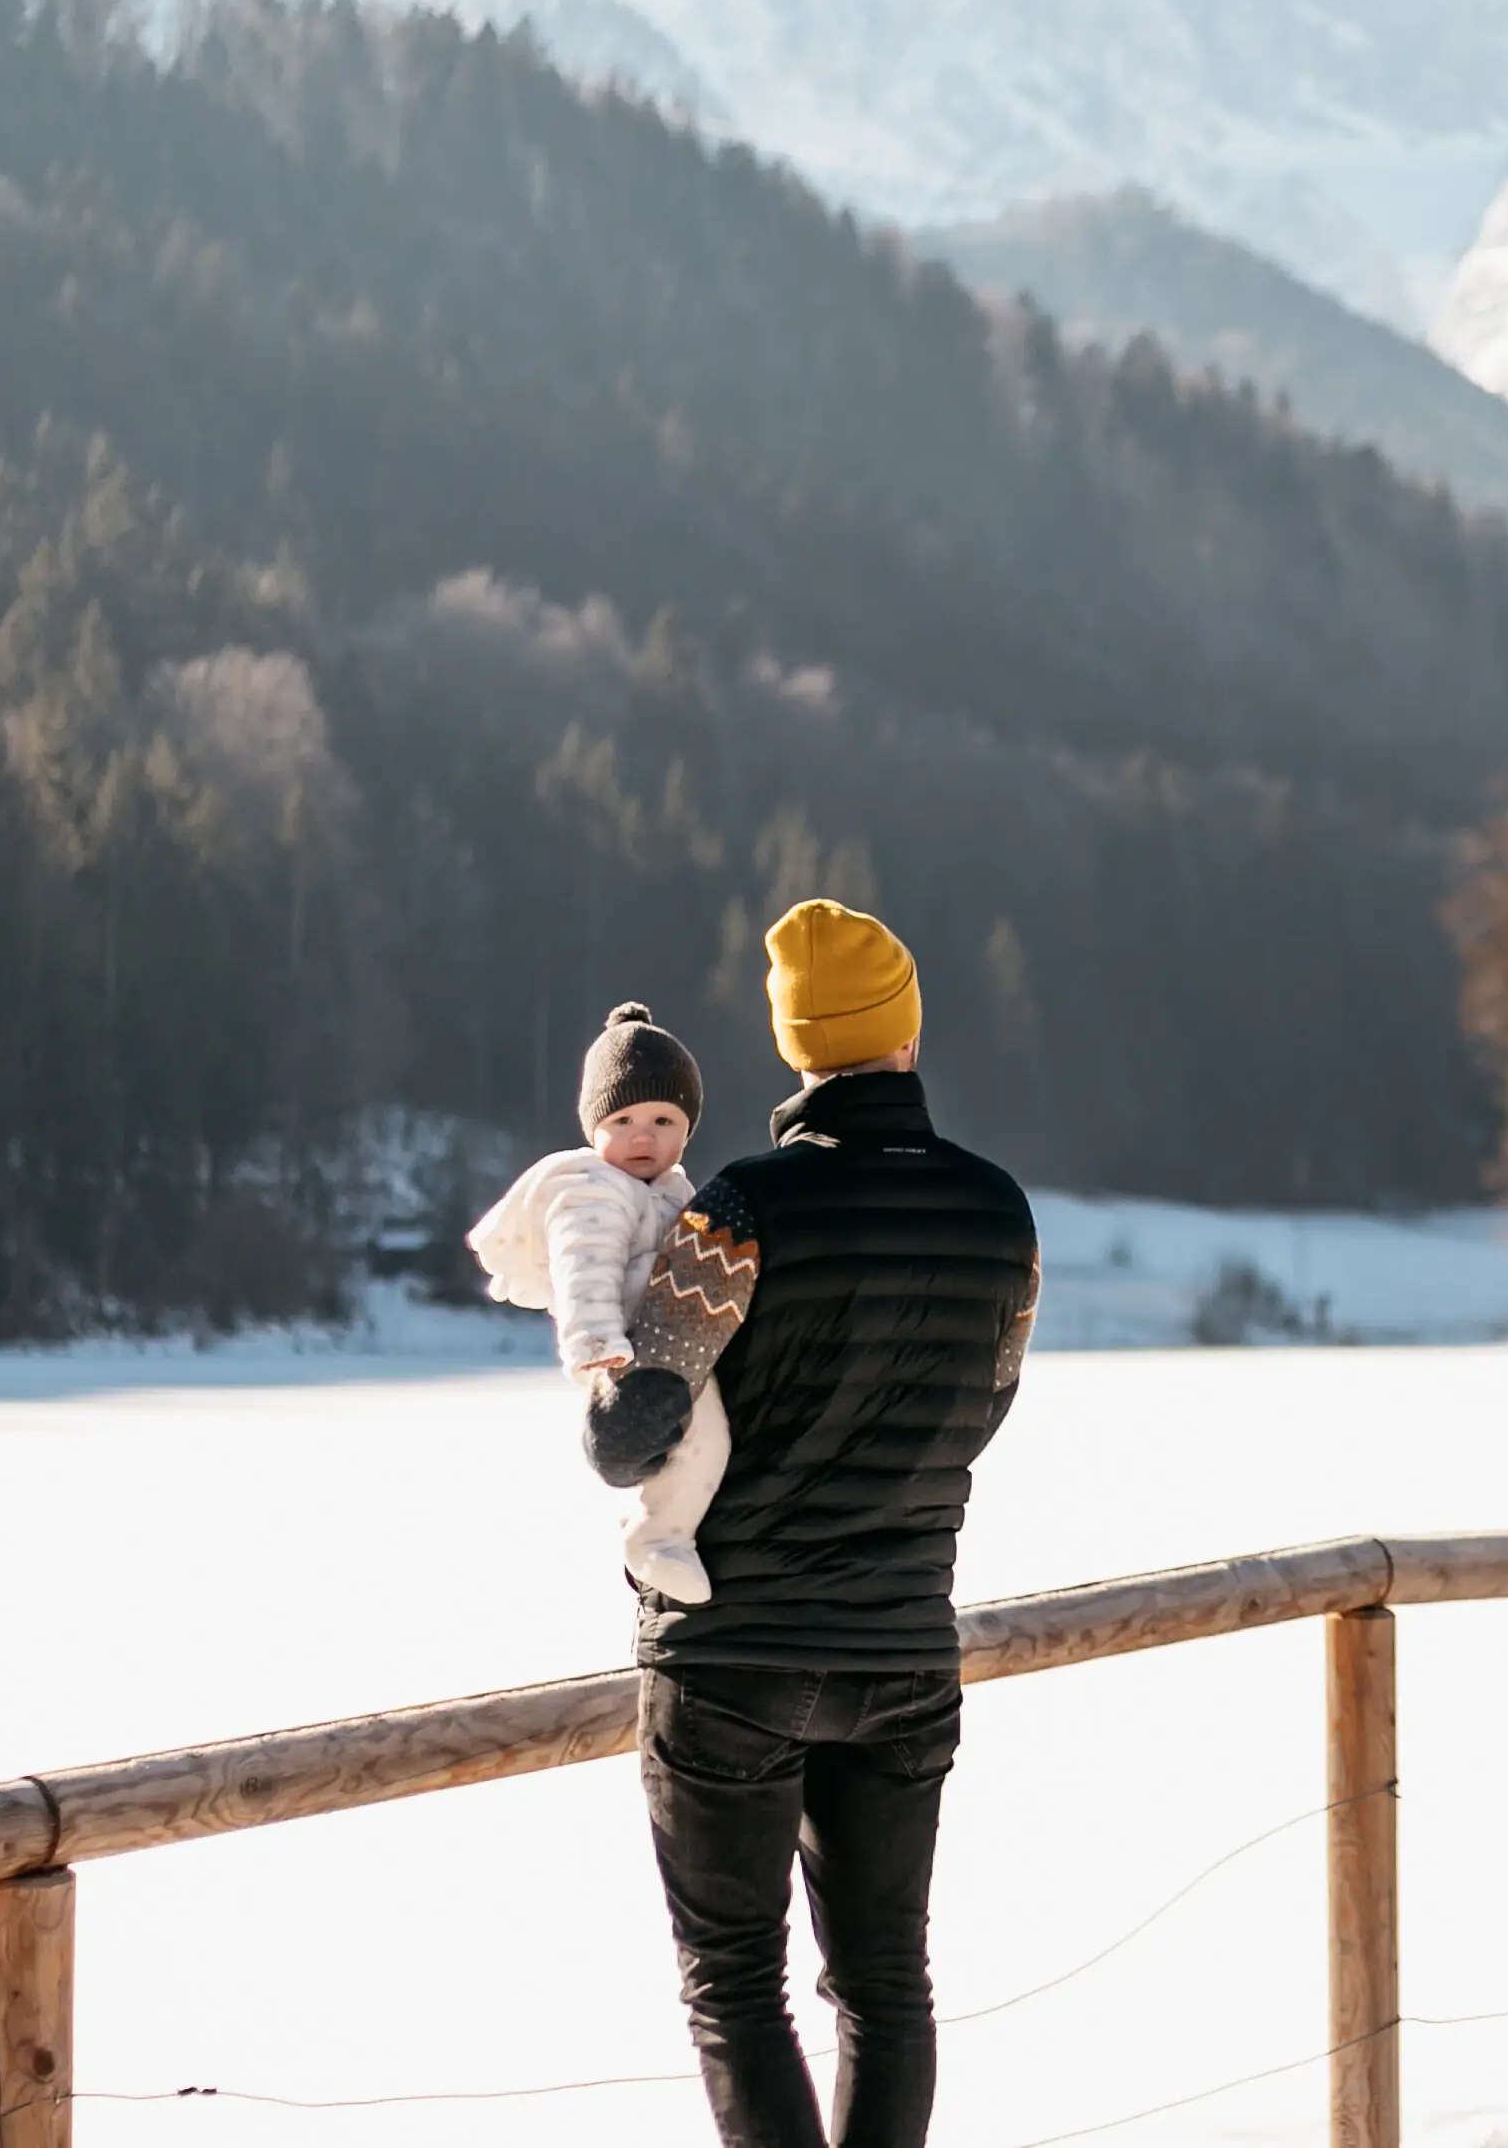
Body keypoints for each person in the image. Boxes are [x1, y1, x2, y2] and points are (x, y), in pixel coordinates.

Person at [599, 900, 1040, 2148]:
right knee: (888, 1985)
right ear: (904, 1034)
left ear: (799, 1050)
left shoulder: (738, 1212)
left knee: (736, 1989)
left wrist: (593, 1367)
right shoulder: (1000, 1215)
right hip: (905, 1648)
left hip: (733, 1653)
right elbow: (983, 1411)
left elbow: (632, 1434)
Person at [469, 1003, 734, 1600]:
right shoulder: (592, 1193)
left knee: (704, 1441)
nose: (644, 1135)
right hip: (622, 1352)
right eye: (624, 1118)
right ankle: (655, 1541)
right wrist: (594, 1342)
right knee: (703, 1439)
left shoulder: (669, 1189)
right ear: (594, 1128)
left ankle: (659, 1527)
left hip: (666, 1341)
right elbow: (583, 1271)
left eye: (665, 1119)